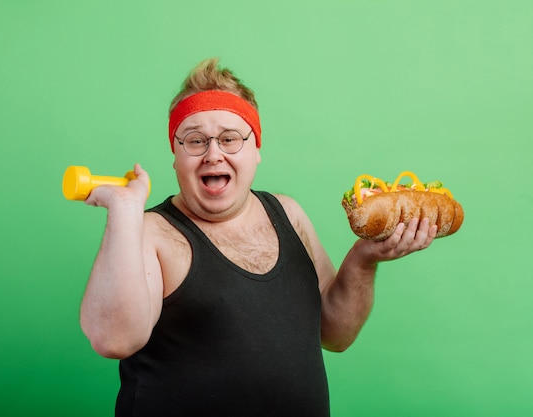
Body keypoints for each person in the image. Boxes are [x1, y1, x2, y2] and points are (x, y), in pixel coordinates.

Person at [79, 58, 438, 417]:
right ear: (176, 155)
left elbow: (336, 333)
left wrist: (364, 258)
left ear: (256, 150)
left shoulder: (288, 213)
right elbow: (114, 339)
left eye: (230, 139)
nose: (213, 154)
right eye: (195, 140)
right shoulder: (151, 232)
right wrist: (125, 212)